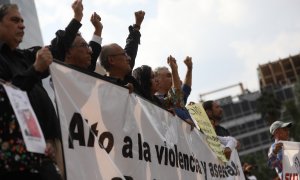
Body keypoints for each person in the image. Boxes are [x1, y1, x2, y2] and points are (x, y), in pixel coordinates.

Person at [0, 4, 61, 179]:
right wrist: (34, 70)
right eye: (14, 20)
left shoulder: (24, 56)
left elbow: (58, 50)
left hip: (39, 153)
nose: (22, 25)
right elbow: (7, 97)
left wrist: (76, 21)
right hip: (12, 161)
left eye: (22, 21)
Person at [99, 10, 145, 95]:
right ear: (112, 60)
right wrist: (121, 91)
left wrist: (137, 26)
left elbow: (131, 48)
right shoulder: (100, 87)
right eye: (124, 55)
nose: (129, 58)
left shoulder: (132, 82)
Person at [50, 0, 102, 71]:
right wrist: (77, 17)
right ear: (68, 52)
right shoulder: (54, 72)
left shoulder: (86, 72)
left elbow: (93, 52)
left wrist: (98, 29)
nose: (90, 52)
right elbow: (60, 46)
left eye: (88, 47)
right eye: (83, 45)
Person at [154, 57, 195, 126]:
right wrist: (174, 69)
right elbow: (176, 96)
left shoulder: (179, 100)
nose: (174, 79)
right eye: (169, 76)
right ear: (157, 81)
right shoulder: (157, 101)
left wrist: (189, 69)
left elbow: (186, 88)